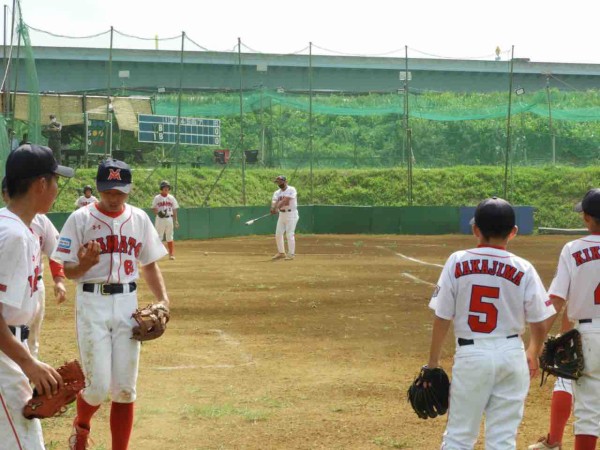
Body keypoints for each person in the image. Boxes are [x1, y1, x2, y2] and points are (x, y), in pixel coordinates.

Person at [52, 158, 170, 450]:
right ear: (99, 188)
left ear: (128, 190)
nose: (113, 197)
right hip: (92, 303)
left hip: (128, 304)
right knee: (97, 388)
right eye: (107, 191)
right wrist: (84, 263)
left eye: (119, 192)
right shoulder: (80, 219)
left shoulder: (139, 218)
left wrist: (164, 300)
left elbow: (150, 265)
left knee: (125, 390)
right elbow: (68, 271)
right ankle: (81, 427)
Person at [426, 197, 555, 449]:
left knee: (459, 437)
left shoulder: (457, 260)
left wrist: (433, 363)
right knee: (503, 439)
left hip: (472, 354)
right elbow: (540, 319)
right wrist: (533, 351)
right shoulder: (524, 267)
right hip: (511, 354)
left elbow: (442, 316)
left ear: (475, 230)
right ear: (514, 232)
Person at [0, 144, 73, 449]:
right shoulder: (13, 235)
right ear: (41, 184)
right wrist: (29, 363)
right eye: (55, 180)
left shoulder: (20, 229)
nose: (57, 188)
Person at [540, 188, 600, 450]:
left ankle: (555, 441)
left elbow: (556, 300)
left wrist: (536, 341)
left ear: (586, 218)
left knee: (587, 414)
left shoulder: (573, 249)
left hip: (589, 335)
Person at [1, 177, 67, 360]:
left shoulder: (41, 221)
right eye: (7, 192)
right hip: (9, 287)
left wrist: (59, 280)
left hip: (34, 286)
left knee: (30, 339)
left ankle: (30, 373)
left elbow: (55, 251)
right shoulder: (8, 229)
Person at [528, 313, 574, 450]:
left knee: (565, 380)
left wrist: (563, 337)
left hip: (589, 331)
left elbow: (560, 300)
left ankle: (553, 442)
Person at [270, 175, 299, 261]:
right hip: (282, 215)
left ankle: (291, 254)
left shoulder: (291, 189)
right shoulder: (276, 192)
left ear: (285, 181)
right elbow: (274, 202)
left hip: (291, 214)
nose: (279, 183)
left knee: (289, 234)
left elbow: (285, 200)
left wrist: (276, 208)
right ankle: (281, 253)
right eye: (277, 182)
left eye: (280, 181)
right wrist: (272, 209)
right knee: (278, 234)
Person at [152, 180, 179, 260]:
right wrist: (158, 213)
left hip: (169, 218)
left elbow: (174, 210)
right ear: (162, 188)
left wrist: (176, 220)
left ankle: (171, 254)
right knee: (158, 237)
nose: (166, 188)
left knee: (169, 236)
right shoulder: (157, 198)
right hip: (160, 219)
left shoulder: (171, 198)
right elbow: (153, 208)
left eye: (167, 187)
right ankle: (157, 254)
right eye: (165, 187)